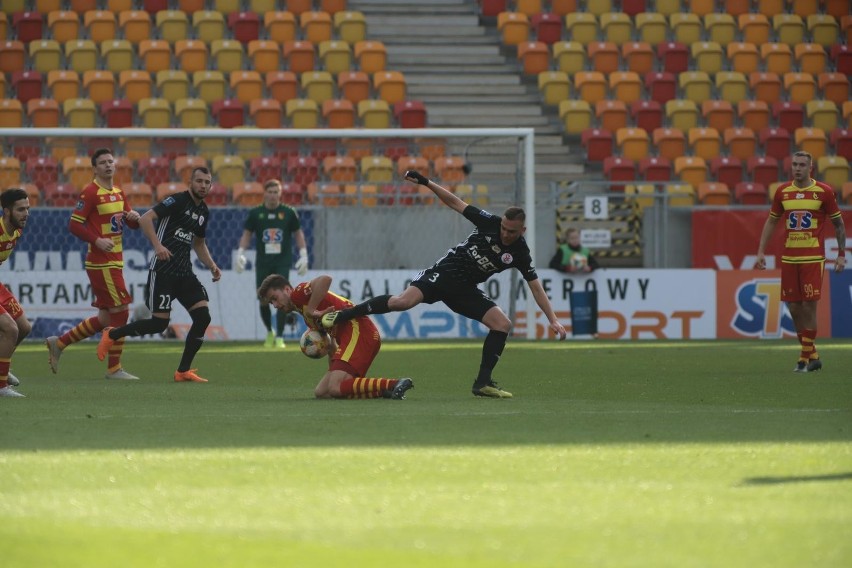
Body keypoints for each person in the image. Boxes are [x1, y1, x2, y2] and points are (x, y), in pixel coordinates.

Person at [321, 170, 568, 399]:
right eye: (503, 228)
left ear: (522, 230)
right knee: (401, 302)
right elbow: (455, 202)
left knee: (502, 324)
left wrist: (553, 319)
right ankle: (345, 315)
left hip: (464, 290)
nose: (505, 234)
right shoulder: (489, 222)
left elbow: (535, 286)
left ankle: (482, 383)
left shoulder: (521, 253)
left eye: (511, 232)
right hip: (442, 275)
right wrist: (427, 183)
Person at [96, 166, 222, 383]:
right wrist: (157, 246)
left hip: (185, 272)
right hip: (163, 270)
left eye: (206, 182)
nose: (203, 185)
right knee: (158, 324)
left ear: (210, 185)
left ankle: (183, 371)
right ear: (190, 182)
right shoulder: (177, 201)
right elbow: (145, 219)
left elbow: (199, 244)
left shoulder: (203, 212)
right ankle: (112, 334)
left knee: (203, 317)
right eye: (199, 181)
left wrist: (211, 265)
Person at [45, 148, 141, 380]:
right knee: (122, 312)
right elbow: (74, 225)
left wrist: (134, 219)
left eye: (111, 161)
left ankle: (59, 342)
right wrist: (97, 240)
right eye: (103, 162)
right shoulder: (90, 192)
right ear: (95, 168)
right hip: (101, 263)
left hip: (115, 261)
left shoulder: (119, 192)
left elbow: (129, 224)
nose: (109, 165)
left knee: (106, 319)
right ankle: (114, 369)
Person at [754, 150, 846, 373]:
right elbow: (771, 221)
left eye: (802, 165)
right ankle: (812, 355)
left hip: (813, 258)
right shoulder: (783, 192)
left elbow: (839, 224)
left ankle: (803, 359)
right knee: (794, 307)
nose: (797, 168)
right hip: (789, 258)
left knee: (808, 307)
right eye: (794, 164)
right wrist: (761, 251)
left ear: (810, 168)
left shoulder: (823, 192)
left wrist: (841, 254)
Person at [257, 273, 413, 400]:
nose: (276, 305)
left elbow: (325, 279)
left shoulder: (298, 294)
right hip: (355, 339)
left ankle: (393, 384)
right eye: (272, 303)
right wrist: (333, 366)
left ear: (286, 289)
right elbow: (332, 347)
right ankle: (383, 391)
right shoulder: (307, 318)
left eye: (274, 298)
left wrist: (311, 309)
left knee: (335, 387)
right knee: (323, 392)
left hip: (358, 331)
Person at [235, 179, 308, 349]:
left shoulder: (289, 212)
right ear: (265, 193)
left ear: (280, 194)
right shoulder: (256, 213)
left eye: (277, 192)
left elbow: (298, 234)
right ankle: (270, 331)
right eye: (271, 192)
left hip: (282, 262)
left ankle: (280, 336)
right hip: (263, 263)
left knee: (284, 297)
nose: (274, 195)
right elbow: (247, 234)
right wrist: (240, 252)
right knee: (263, 299)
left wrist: (304, 254)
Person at [0, 189, 33, 398]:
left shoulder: (17, 231)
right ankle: (1, 386)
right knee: (10, 329)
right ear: (6, 212)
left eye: (28, 208)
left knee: (23, 327)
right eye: (21, 209)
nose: (26, 213)